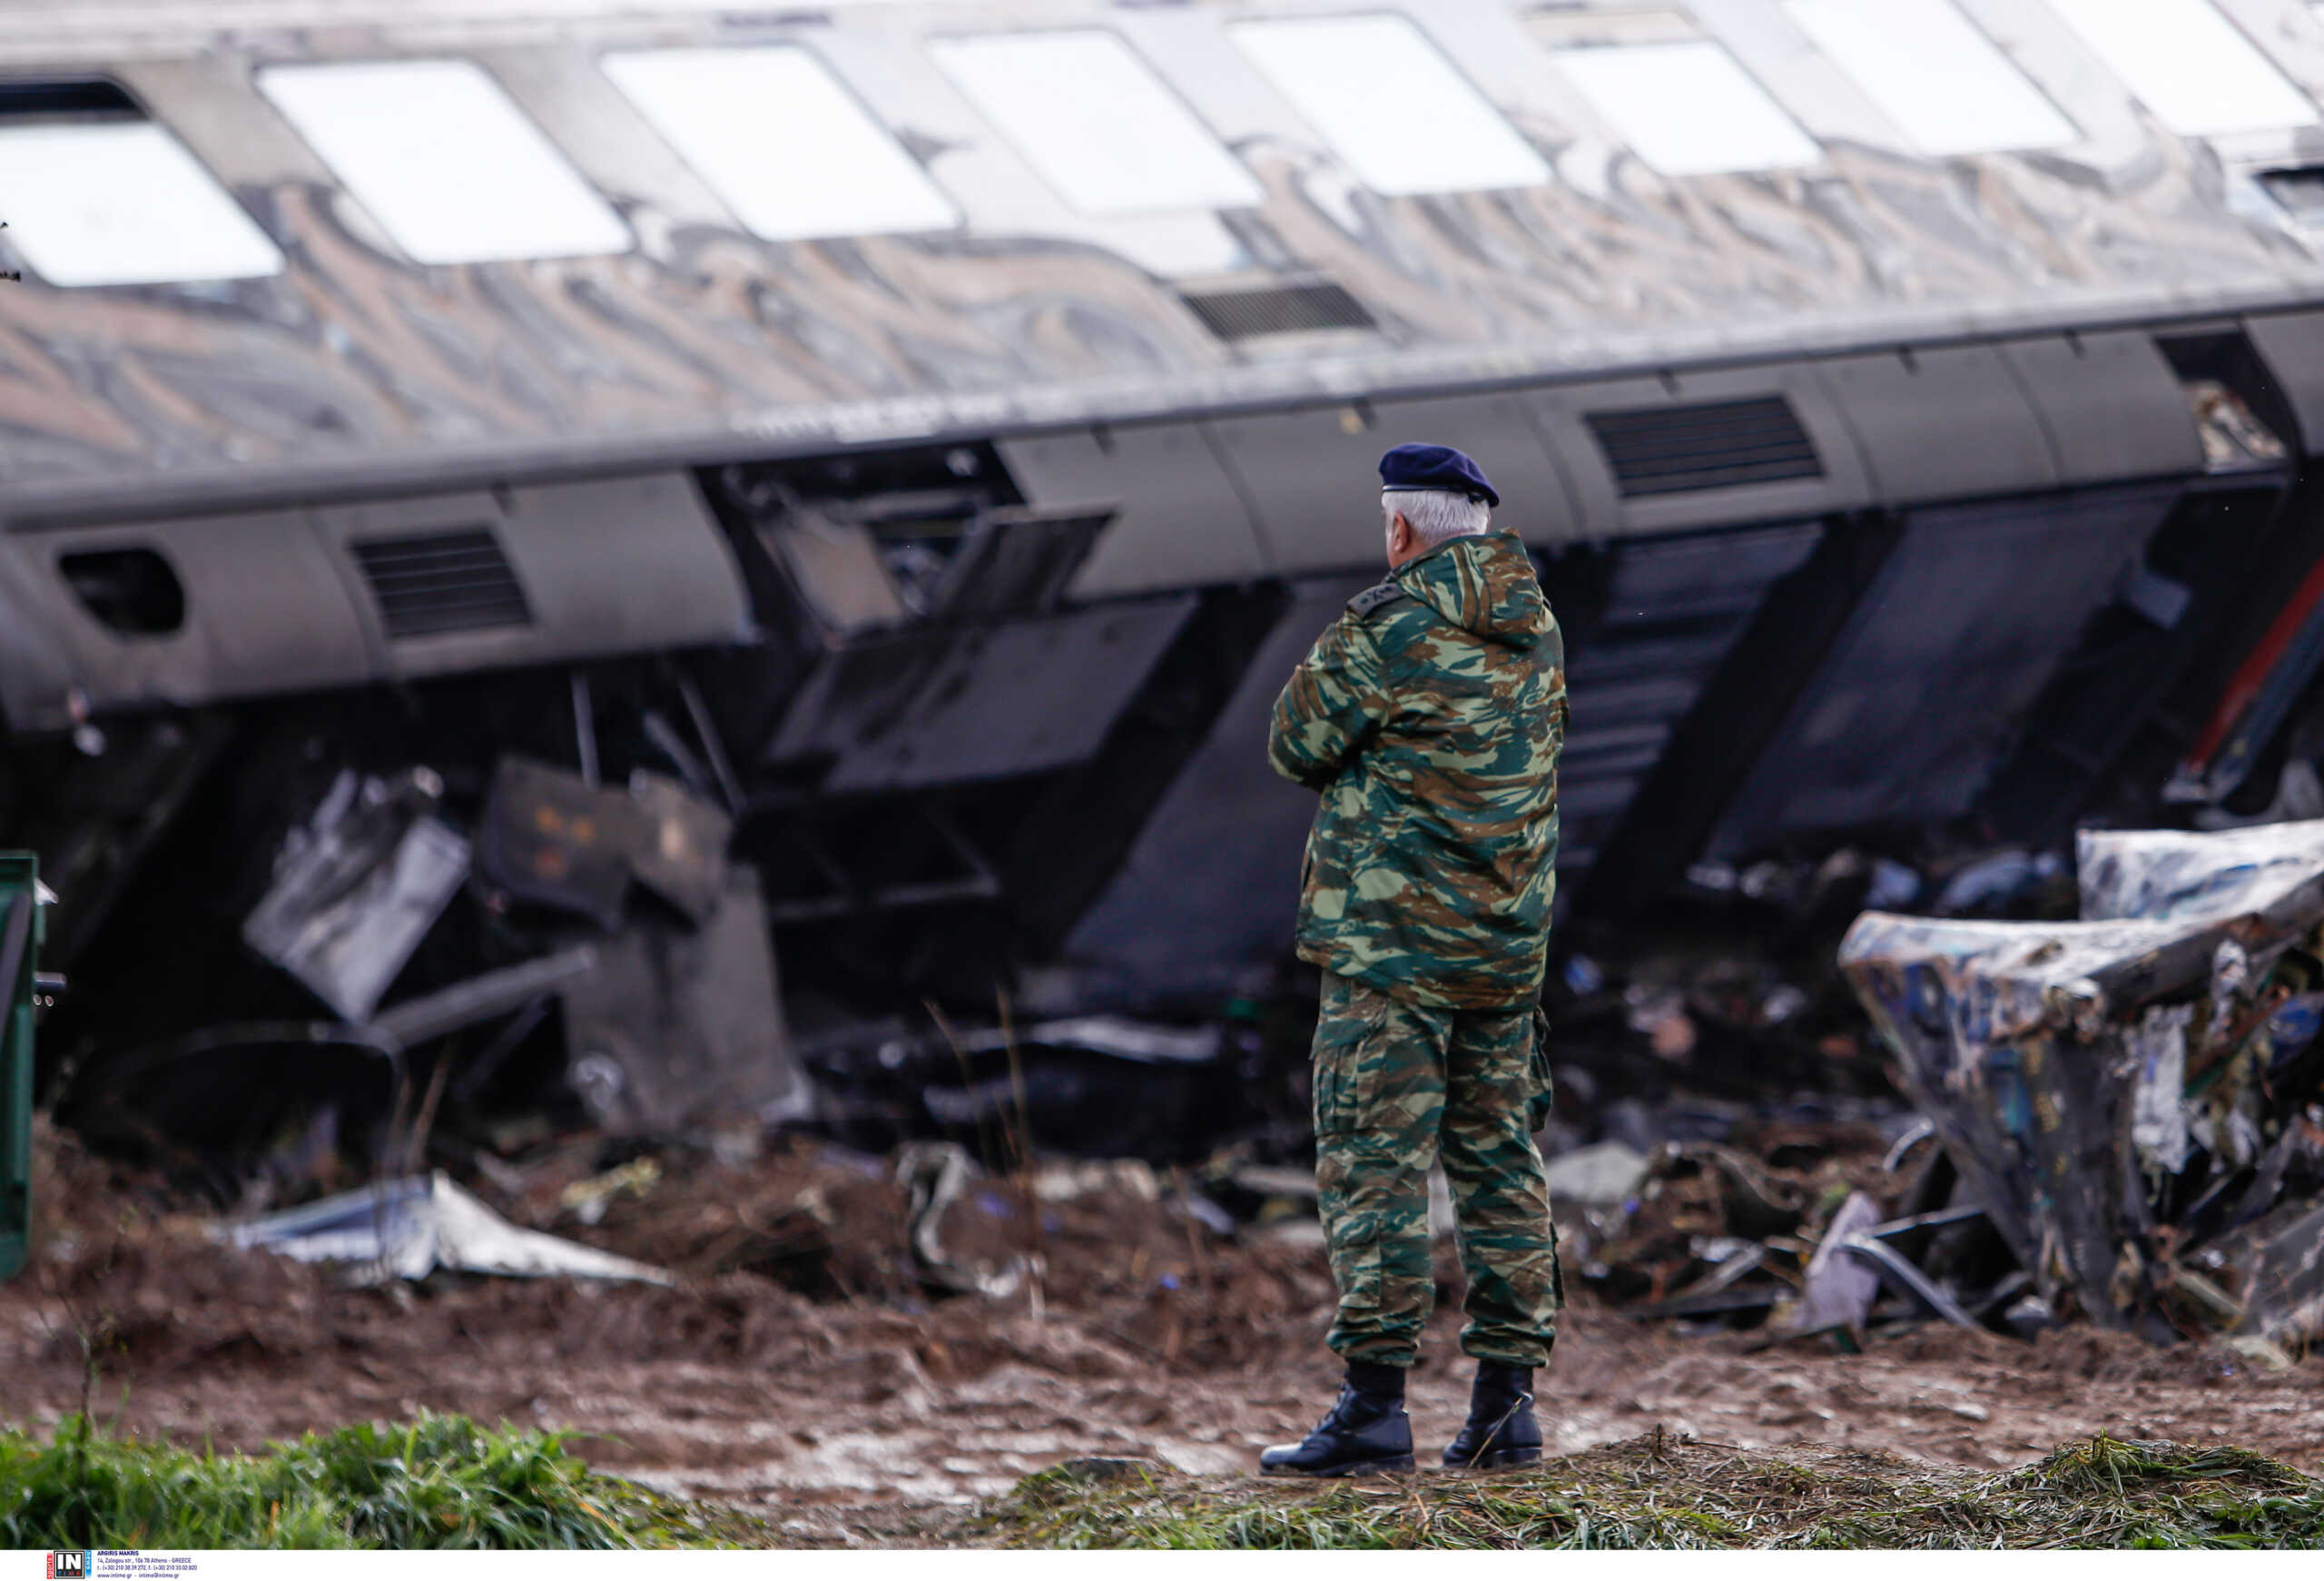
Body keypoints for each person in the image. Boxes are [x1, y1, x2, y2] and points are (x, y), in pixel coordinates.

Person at [1257, 442, 1567, 1477]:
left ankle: (1374, 1405)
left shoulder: (1386, 627)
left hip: (1391, 950)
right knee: (1498, 1157)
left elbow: (1295, 743)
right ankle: (1505, 1408)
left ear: (1398, 530)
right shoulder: (1535, 625)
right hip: (1506, 948)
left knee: (1373, 1161)